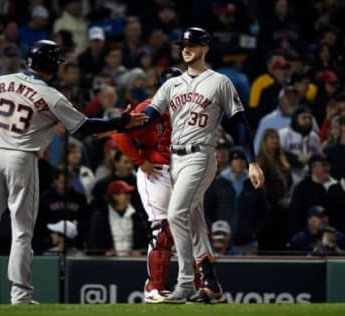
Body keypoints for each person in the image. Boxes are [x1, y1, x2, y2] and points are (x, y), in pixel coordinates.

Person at [0, 40, 147, 305]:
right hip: (20, 159)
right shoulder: (50, 95)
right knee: (22, 231)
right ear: (52, 67)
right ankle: (21, 295)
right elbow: (86, 127)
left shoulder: (0, 81)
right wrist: (121, 122)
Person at [135, 27, 264, 304]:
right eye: (183, 44)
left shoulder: (219, 82)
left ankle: (183, 284)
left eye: (192, 44)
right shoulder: (172, 84)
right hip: (175, 159)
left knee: (175, 214)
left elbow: (240, 123)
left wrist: (252, 162)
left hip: (201, 155)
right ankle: (211, 284)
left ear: (205, 47)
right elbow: (146, 116)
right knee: (194, 223)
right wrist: (113, 123)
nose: (186, 48)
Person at [112, 67, 183, 303]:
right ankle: (153, 288)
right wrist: (139, 161)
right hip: (156, 173)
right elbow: (119, 133)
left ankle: (193, 287)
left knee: (187, 233)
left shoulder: (189, 109)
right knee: (162, 231)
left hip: (182, 173)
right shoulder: (149, 107)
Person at [87, 180, 148, 257]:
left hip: (133, 261)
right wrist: (103, 253)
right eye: (125, 193)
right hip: (108, 263)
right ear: (114, 196)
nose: (128, 196)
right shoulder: (100, 217)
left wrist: (141, 252)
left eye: (128, 193)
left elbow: (146, 241)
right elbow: (92, 243)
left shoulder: (137, 217)